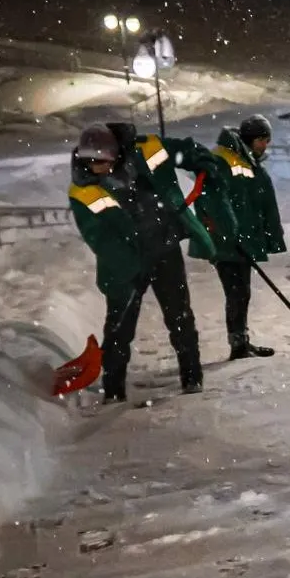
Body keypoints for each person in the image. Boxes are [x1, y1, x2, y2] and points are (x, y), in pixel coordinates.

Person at [68, 122, 224, 402]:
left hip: (165, 250)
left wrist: (202, 160)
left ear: (115, 154)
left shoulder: (148, 149)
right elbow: (99, 238)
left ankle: (192, 376)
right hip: (124, 266)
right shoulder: (82, 191)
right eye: (89, 161)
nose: (96, 167)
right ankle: (114, 389)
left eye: (101, 161)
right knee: (119, 329)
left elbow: (185, 151)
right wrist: (134, 260)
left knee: (180, 317)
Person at [194, 115, 288, 359]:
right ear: (252, 139)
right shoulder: (222, 160)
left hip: (239, 240)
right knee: (236, 292)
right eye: (263, 140)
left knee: (241, 291)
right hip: (227, 242)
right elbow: (210, 200)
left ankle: (242, 341)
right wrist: (227, 233)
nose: (265, 146)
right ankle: (238, 346)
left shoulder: (245, 160)